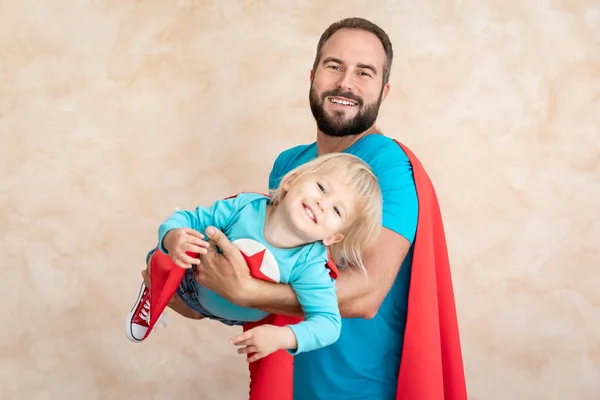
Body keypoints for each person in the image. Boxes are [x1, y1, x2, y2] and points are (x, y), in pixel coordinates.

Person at [180, 17, 421, 400]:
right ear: (312, 76)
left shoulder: (386, 164)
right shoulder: (290, 164)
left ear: (384, 91)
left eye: (364, 72)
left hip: (362, 384)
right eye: (333, 66)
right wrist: (198, 290)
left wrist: (247, 291)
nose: (345, 82)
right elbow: (271, 264)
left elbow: (367, 294)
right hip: (292, 373)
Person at [125, 152, 383, 362]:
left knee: (195, 310)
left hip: (231, 314)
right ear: (292, 180)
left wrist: (284, 337)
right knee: (166, 252)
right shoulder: (245, 207)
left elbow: (328, 324)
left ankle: (169, 296)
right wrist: (173, 238)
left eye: (337, 210)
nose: (322, 204)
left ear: (333, 238)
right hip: (190, 279)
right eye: (321, 187)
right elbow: (186, 219)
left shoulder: (310, 265)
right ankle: (156, 291)